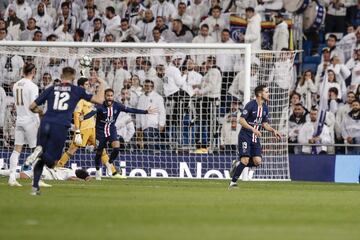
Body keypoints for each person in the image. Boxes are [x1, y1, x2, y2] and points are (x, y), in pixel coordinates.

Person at [24, 66, 106, 195]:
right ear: (73, 77)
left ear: (61, 76)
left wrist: (40, 112)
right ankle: (39, 154)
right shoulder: (76, 90)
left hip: (45, 123)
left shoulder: (50, 89)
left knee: (42, 154)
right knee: (52, 162)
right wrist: (102, 83)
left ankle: (35, 187)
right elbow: (100, 100)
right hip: (60, 126)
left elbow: (32, 106)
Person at [56, 78, 121, 178]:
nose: (88, 86)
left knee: (102, 150)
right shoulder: (79, 99)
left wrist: (98, 80)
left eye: (88, 84)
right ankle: (58, 167)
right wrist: (77, 131)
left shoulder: (89, 98)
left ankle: (113, 172)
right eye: (86, 84)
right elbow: (77, 115)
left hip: (94, 129)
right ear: (81, 86)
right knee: (72, 150)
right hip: (83, 130)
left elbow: (101, 90)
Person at [87, 88, 156, 180]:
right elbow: (91, 113)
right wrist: (83, 117)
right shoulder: (100, 107)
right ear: (105, 96)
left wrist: (146, 112)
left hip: (111, 130)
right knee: (99, 152)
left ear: (113, 96)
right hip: (100, 132)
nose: (110, 98)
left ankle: (109, 163)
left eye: (111, 96)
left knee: (116, 148)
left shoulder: (117, 106)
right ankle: (98, 171)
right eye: (108, 96)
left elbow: (131, 110)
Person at [229, 85, 281, 188]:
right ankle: (233, 183)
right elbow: (241, 120)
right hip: (245, 136)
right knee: (245, 160)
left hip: (255, 138)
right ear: (260, 94)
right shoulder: (250, 105)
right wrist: (253, 129)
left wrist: (273, 131)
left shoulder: (265, 107)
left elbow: (264, 124)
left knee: (257, 161)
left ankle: (237, 164)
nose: (268, 93)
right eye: (266, 92)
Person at [7, 63, 40, 187]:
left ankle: (11, 178)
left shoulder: (16, 85)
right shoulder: (32, 86)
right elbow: (33, 106)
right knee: (37, 149)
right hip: (30, 120)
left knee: (17, 150)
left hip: (19, 120)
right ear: (33, 72)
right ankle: (35, 180)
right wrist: (40, 116)